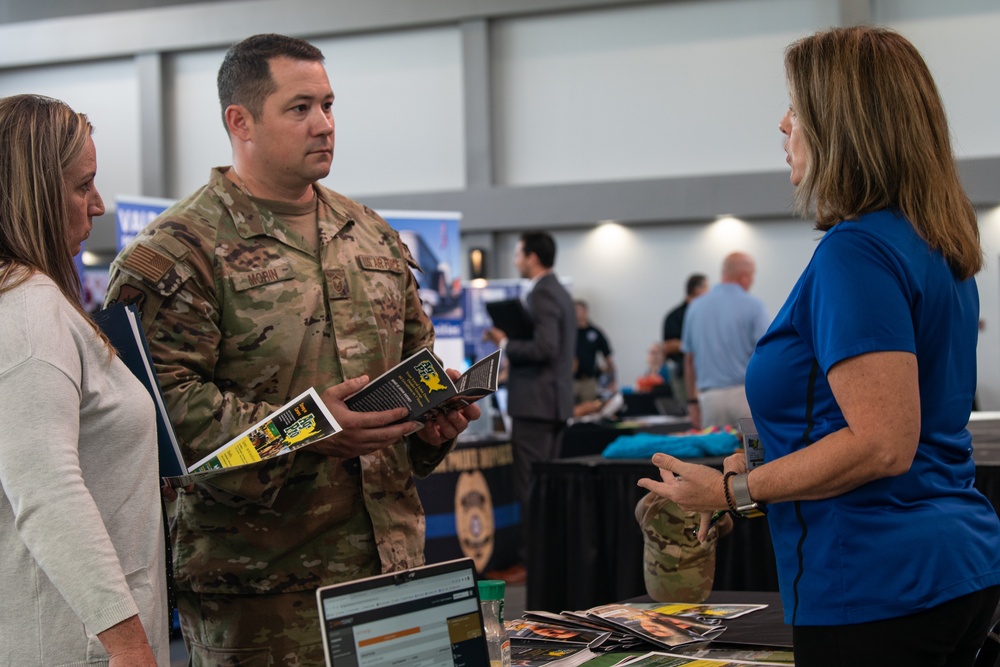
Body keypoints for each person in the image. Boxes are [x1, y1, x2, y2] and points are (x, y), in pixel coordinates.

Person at [104, 34, 479, 666]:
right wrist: (313, 428)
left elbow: (414, 365)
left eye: (329, 105)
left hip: (392, 566)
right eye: (300, 108)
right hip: (263, 589)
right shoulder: (180, 250)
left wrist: (434, 421)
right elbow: (161, 416)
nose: (324, 125)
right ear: (240, 121)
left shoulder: (371, 234)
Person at [639, 26, 1000, 666]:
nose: (783, 124)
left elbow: (882, 442)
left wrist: (734, 494)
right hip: (951, 565)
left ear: (845, 126)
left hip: (873, 578)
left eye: (798, 110)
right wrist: (750, 470)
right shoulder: (933, 243)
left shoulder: (855, 252)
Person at [0, 94, 168, 666]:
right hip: (81, 644)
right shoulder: (27, 311)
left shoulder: (32, 304)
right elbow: (46, 492)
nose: (97, 205)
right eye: (82, 185)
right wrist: (130, 648)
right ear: (34, 194)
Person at [485, 231, 575, 579]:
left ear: (533, 256)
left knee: (531, 488)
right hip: (551, 402)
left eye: (519, 253)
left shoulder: (543, 292)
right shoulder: (558, 292)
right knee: (543, 487)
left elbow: (544, 348)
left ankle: (532, 563)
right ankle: (545, 560)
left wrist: (505, 340)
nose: (515, 259)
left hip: (536, 405)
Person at [681, 253, 768, 429]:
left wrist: (691, 402)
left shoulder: (695, 307)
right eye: (752, 276)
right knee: (751, 455)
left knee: (714, 454)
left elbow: (689, 360)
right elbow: (767, 354)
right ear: (744, 277)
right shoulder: (754, 306)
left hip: (710, 400)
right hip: (745, 396)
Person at [661, 273, 708, 403]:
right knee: (688, 412)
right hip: (683, 375)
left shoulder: (705, 315)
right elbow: (667, 346)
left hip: (705, 373)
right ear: (697, 290)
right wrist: (695, 345)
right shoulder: (675, 316)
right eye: (706, 288)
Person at [573, 299, 615, 403]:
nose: (577, 313)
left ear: (586, 311)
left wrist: (611, 379)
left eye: (579, 310)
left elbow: (608, 357)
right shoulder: (568, 333)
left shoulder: (595, 333)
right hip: (571, 380)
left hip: (589, 380)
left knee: (589, 409)